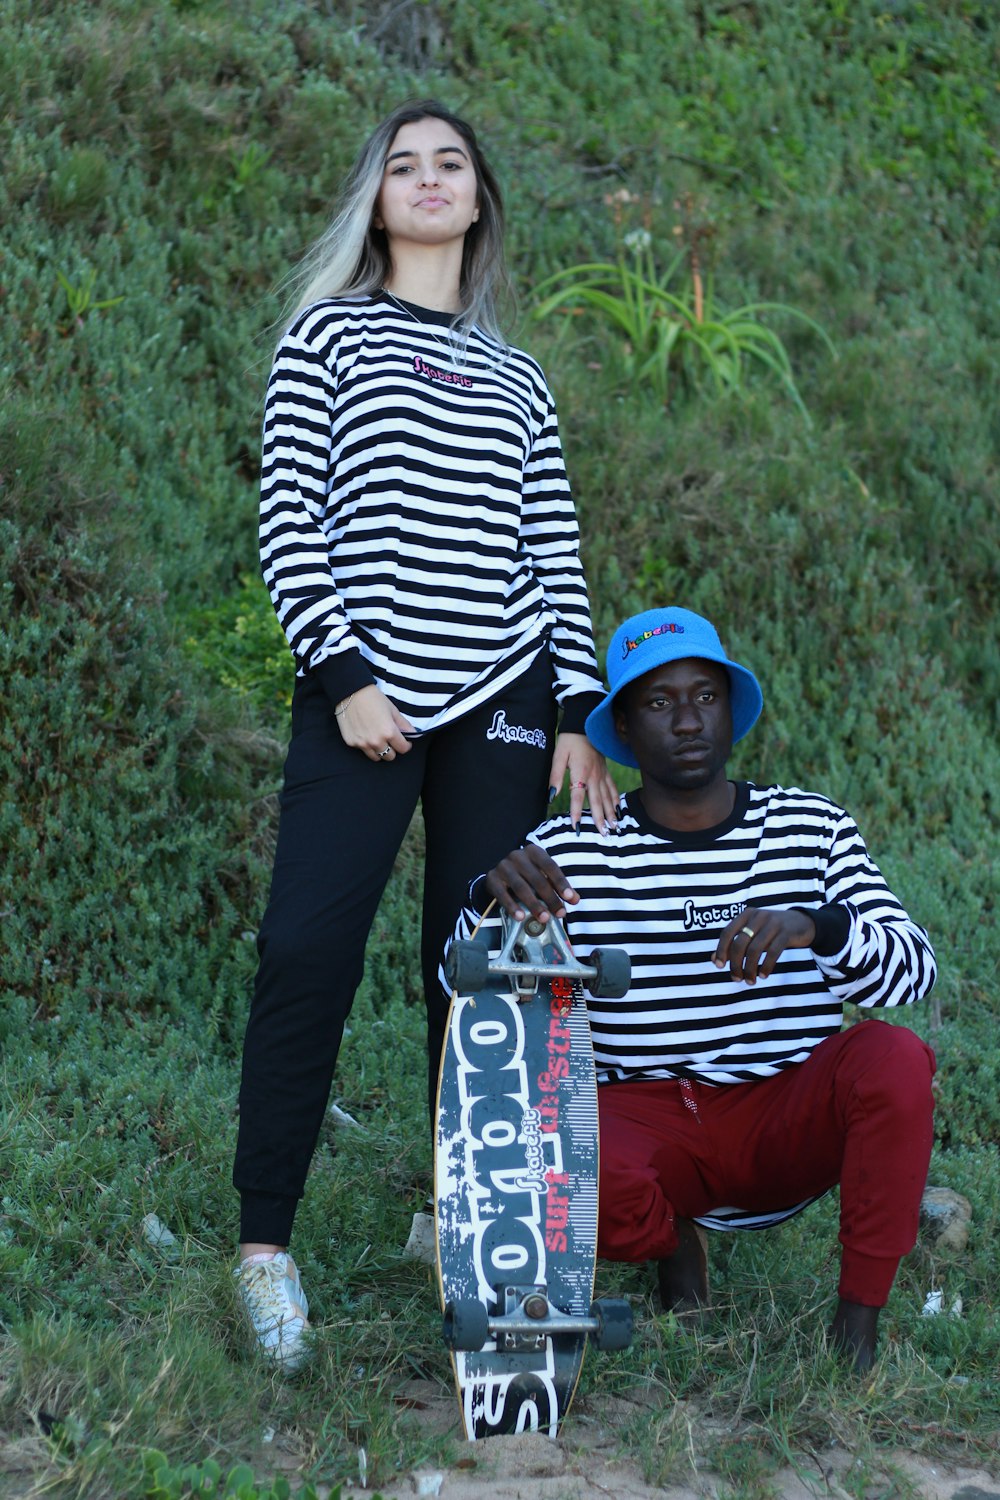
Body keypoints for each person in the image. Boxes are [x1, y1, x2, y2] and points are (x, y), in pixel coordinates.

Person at [232, 99, 618, 1369]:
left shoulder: (519, 374)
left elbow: (548, 546)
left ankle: (468, 1221)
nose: (429, 179)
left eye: (450, 162)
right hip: (365, 695)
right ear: (376, 199)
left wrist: (573, 710)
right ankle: (264, 1252)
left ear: (479, 197)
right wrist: (341, 677)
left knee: (479, 976)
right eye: (403, 165)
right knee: (305, 947)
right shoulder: (327, 335)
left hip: (503, 698)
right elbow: (291, 516)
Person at [460, 606, 937, 1372]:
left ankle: (857, 1332)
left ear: (731, 711)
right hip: (645, 1120)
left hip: (782, 1109)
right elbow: (478, 995)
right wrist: (486, 896)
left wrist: (820, 927)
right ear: (621, 727)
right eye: (658, 702)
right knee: (550, 1141)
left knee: (895, 1058)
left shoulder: (811, 829)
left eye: (705, 696)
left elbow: (913, 970)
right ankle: (673, 1248)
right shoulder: (573, 847)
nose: (687, 720)